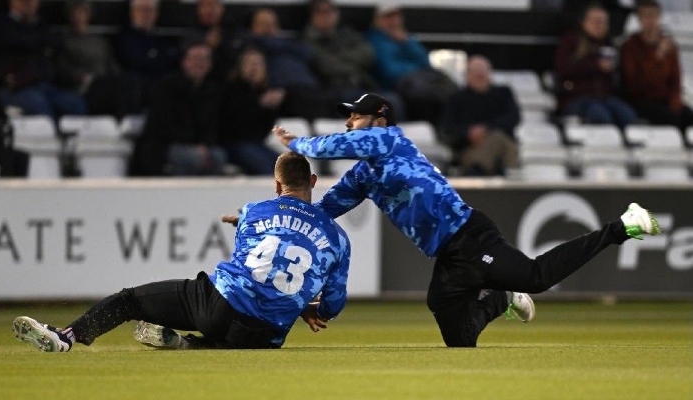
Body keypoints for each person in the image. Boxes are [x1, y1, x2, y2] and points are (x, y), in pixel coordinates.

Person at [274, 92, 662, 348]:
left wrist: (299, 144)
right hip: (449, 256)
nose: (348, 123)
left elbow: (337, 145)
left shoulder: (389, 139)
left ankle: (621, 226)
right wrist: (279, 215)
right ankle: (500, 301)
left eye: (355, 117)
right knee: (456, 338)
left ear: (379, 118)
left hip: (469, 235)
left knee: (537, 277)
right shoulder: (363, 175)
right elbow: (323, 211)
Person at [13, 151, 351, 352]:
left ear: (277, 185)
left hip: (219, 307)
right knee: (239, 339)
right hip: (266, 335)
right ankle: (189, 345)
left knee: (131, 299)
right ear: (314, 180)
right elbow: (332, 305)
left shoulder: (255, 210)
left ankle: (67, 337)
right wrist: (304, 306)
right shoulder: (337, 237)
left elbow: (256, 263)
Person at [130, 42, 225, 176]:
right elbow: (164, 126)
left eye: (204, 60)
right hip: (164, 145)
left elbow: (213, 125)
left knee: (217, 156)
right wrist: (193, 146)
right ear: (185, 62)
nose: (200, 63)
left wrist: (205, 144)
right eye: (195, 59)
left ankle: (209, 196)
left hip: (196, 145)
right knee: (192, 158)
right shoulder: (167, 87)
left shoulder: (211, 91)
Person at [303, 0, 405, 120]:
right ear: (312, 16)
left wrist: (340, 57)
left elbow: (368, 55)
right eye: (321, 12)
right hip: (333, 89)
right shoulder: (308, 41)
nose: (327, 16)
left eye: (330, 11)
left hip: (362, 85)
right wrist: (351, 62)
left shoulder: (347, 34)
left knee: (392, 100)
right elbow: (326, 66)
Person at [0, 0, 86, 119]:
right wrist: (39, 41)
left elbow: (57, 44)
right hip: (12, 86)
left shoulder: (41, 24)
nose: (30, 3)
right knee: (39, 105)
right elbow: (16, 41)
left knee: (75, 103)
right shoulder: (0, 23)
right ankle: (51, 136)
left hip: (42, 84)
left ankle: (72, 137)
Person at [366, 4, 456, 124]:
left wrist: (407, 43)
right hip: (396, 85)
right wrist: (414, 69)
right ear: (378, 20)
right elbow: (388, 70)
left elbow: (425, 62)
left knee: (446, 86)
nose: (393, 21)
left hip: (419, 79)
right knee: (424, 93)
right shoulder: (374, 41)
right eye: (388, 17)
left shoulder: (408, 39)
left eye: (396, 16)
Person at [554, 2, 637, 129]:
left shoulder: (609, 44)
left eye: (603, 22)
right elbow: (563, 69)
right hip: (576, 97)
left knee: (628, 115)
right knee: (600, 115)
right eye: (595, 21)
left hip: (604, 97)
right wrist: (595, 65)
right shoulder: (571, 41)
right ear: (584, 22)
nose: (599, 25)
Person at [55, 0, 140, 118]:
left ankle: (126, 123)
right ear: (69, 16)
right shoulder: (65, 42)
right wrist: (81, 77)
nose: (79, 17)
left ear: (88, 15)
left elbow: (113, 66)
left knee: (130, 81)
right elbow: (63, 69)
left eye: (82, 12)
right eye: (75, 13)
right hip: (85, 88)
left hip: (106, 83)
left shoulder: (100, 42)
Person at [620, 0, 693, 133]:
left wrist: (675, 100)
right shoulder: (631, 47)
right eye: (646, 16)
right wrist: (657, 58)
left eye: (653, 16)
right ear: (640, 19)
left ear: (659, 17)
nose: (650, 21)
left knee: (688, 116)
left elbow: (675, 79)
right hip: (642, 101)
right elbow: (635, 83)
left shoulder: (669, 46)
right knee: (671, 119)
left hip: (665, 100)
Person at [441, 55, 520, 176]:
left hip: (503, 146)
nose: (480, 76)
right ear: (467, 75)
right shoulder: (456, 99)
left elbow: (513, 118)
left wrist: (485, 130)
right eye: (475, 72)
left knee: (498, 138)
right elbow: (448, 128)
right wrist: (469, 133)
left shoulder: (504, 93)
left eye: (483, 71)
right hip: (470, 149)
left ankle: (479, 171)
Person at [244, 7, 328, 120]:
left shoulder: (294, 43)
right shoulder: (250, 46)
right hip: (281, 93)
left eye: (273, 23)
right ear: (252, 27)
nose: (269, 27)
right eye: (264, 23)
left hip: (310, 89)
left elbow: (309, 55)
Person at [220, 47, 283, 175]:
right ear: (241, 67)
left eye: (258, 63)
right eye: (250, 63)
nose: (254, 68)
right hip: (233, 143)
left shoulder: (263, 91)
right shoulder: (232, 90)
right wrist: (260, 105)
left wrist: (272, 108)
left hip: (255, 143)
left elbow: (264, 130)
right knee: (262, 163)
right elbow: (235, 124)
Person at [115, 0, 179, 110]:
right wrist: (161, 58)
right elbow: (137, 62)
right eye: (141, 10)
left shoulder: (163, 38)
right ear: (132, 13)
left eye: (150, 10)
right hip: (140, 90)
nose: (145, 14)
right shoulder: (124, 37)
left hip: (164, 87)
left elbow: (174, 60)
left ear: (156, 14)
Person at [180, 0, 244, 83]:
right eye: (206, 6)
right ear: (199, 9)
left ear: (222, 9)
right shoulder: (188, 34)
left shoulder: (233, 31)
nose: (210, 10)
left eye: (214, 6)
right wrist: (207, 45)